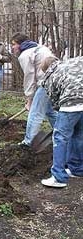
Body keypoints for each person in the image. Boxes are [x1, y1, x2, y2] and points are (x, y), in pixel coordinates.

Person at [40, 56, 83, 188]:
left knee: (60, 138)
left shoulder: (49, 76)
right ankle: (77, 169)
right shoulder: (73, 62)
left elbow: (54, 100)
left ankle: (58, 177)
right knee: (79, 135)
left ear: (46, 69)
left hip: (71, 103)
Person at [11, 33, 57, 147]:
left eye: (14, 44)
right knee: (50, 111)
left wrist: (29, 99)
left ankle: (28, 142)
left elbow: (29, 77)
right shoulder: (39, 48)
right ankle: (62, 131)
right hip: (57, 80)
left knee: (35, 113)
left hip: (46, 82)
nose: (12, 47)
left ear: (21, 45)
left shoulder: (25, 55)